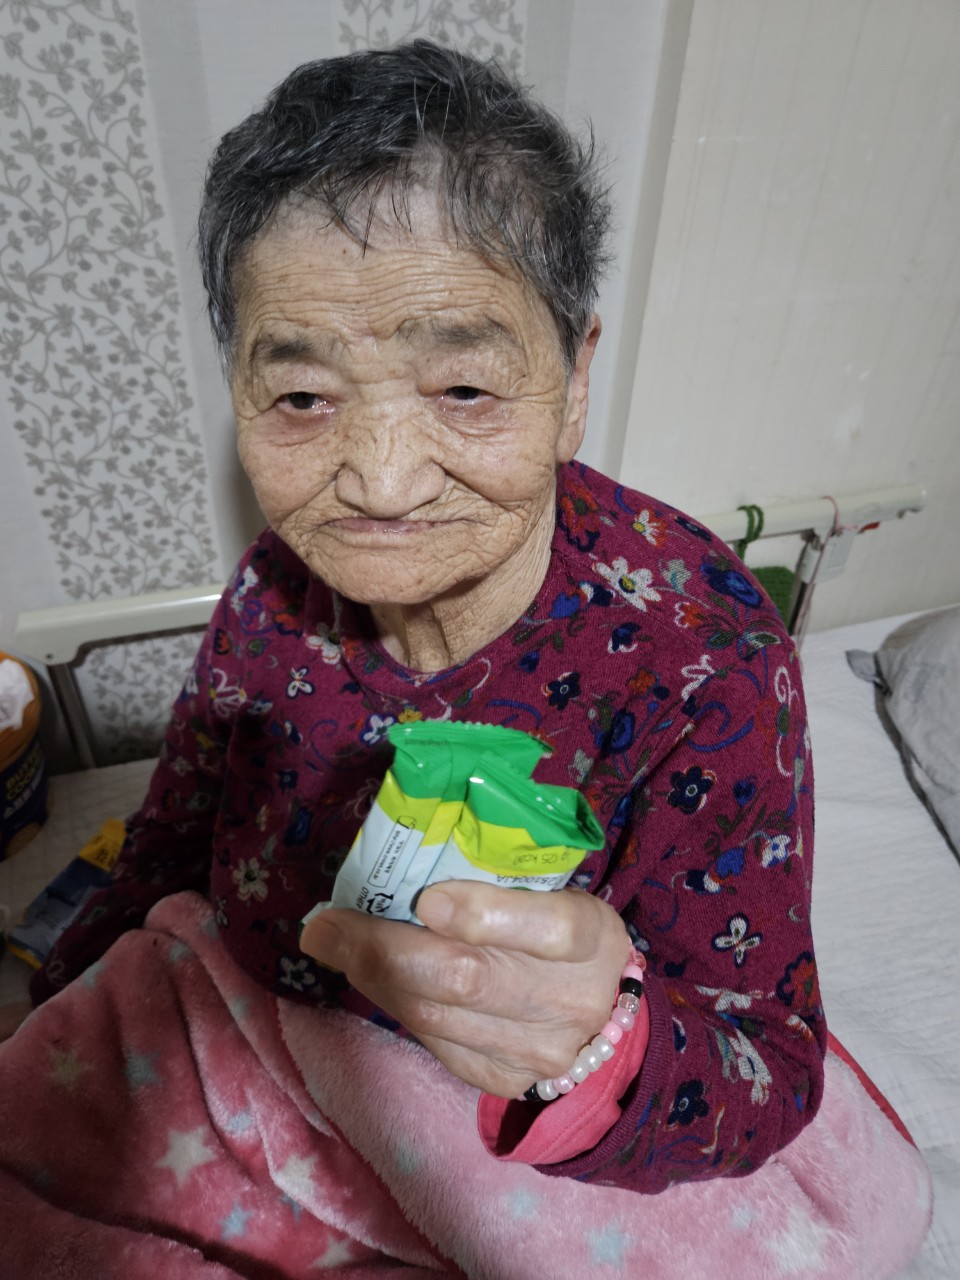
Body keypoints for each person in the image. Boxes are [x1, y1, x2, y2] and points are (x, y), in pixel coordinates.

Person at [0, 40, 824, 1191]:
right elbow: (171, 839)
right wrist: (61, 1004)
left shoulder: (706, 664)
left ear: (573, 380)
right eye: (302, 395)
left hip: (489, 1151)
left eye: (465, 389)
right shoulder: (275, 585)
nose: (382, 484)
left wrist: (598, 1046)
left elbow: (769, 1067)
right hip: (242, 1051)